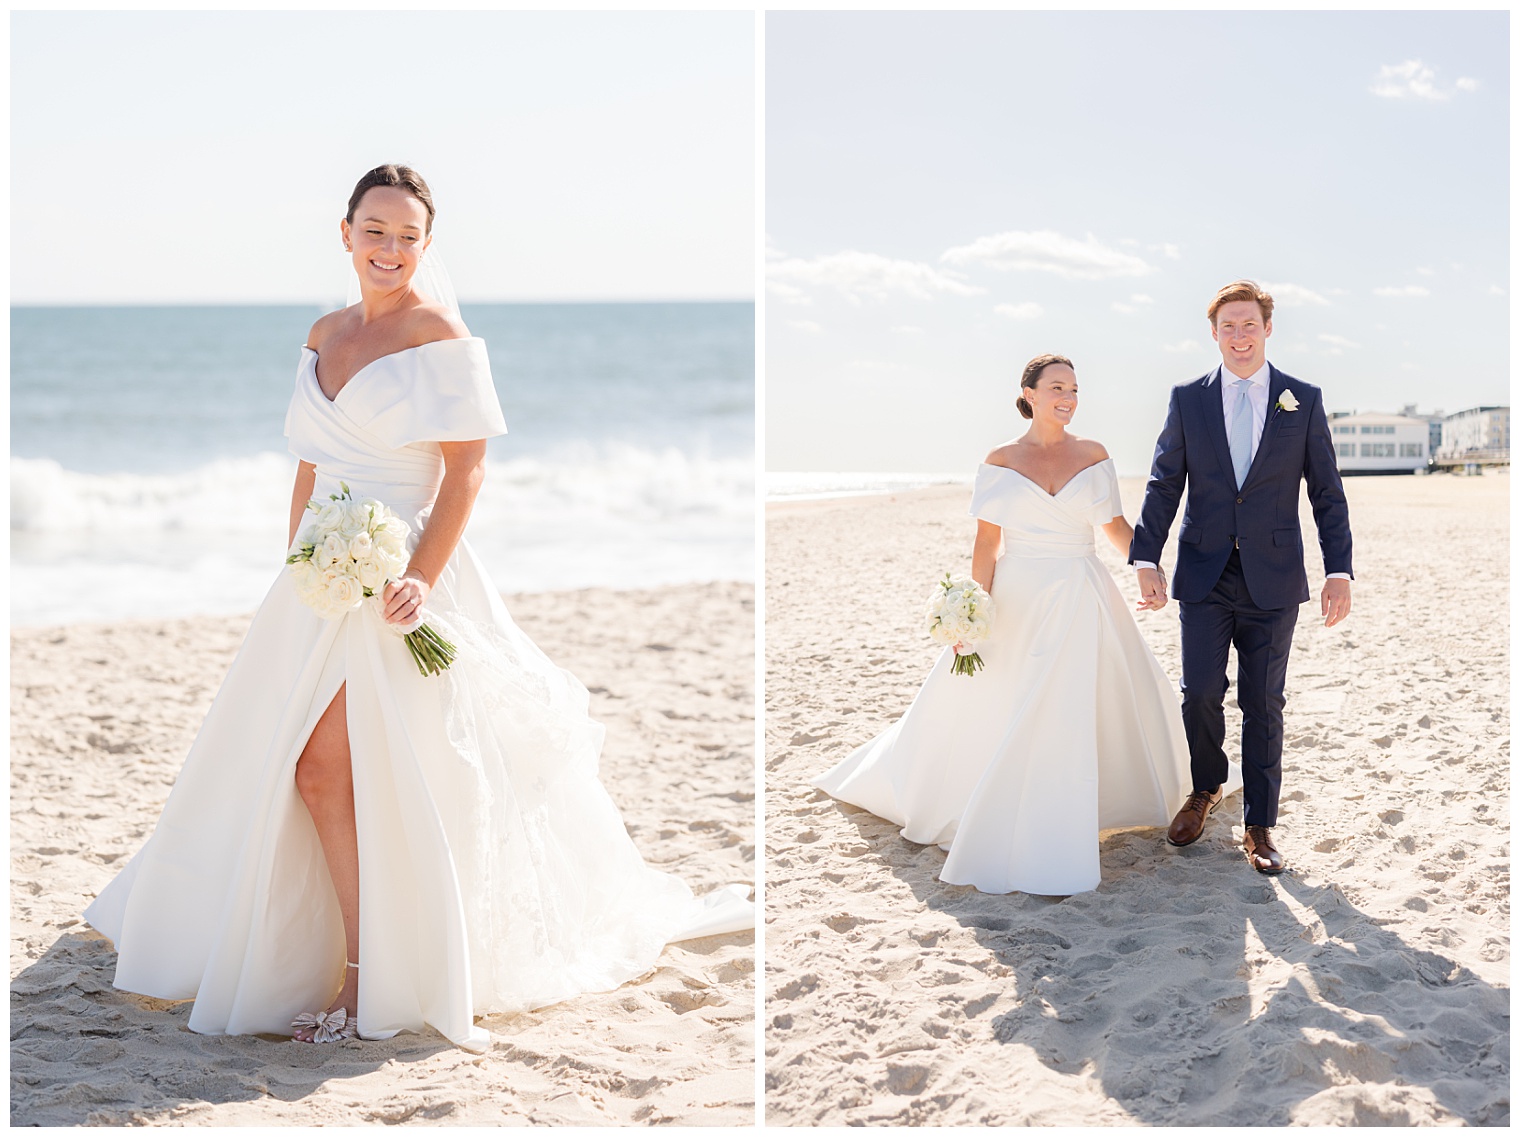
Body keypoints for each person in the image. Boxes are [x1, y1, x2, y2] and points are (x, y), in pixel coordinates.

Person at [84, 165, 751, 1050]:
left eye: (408, 235)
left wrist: (421, 580)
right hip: (321, 580)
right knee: (305, 771)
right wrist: (299, 566)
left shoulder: (440, 333)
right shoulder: (325, 332)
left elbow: (467, 469)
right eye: (376, 229)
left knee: (344, 771)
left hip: (403, 576)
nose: (390, 248)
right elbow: (311, 466)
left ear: (426, 247)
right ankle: (323, 960)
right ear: (346, 232)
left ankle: (366, 980)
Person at [813, 354, 1197, 896]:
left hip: (1080, 591)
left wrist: (1147, 566)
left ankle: (1071, 807)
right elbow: (987, 544)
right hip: (1019, 596)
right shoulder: (999, 460)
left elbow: (1113, 526)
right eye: (1057, 387)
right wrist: (974, 609)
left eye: (1074, 389)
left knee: (1075, 701)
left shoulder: (1094, 455)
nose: (1067, 396)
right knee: (1004, 699)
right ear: (1030, 394)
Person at [1129, 279, 1353, 875]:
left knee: (1263, 701)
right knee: (1200, 691)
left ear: (1267, 328)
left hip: (1274, 577)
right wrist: (1145, 558)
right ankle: (1206, 790)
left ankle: (1259, 825)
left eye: (1248, 324)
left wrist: (1339, 570)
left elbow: (1326, 492)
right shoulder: (1188, 399)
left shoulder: (1301, 399)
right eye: (1227, 325)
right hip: (1204, 572)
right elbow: (1163, 482)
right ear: (1214, 333)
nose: (1238, 335)